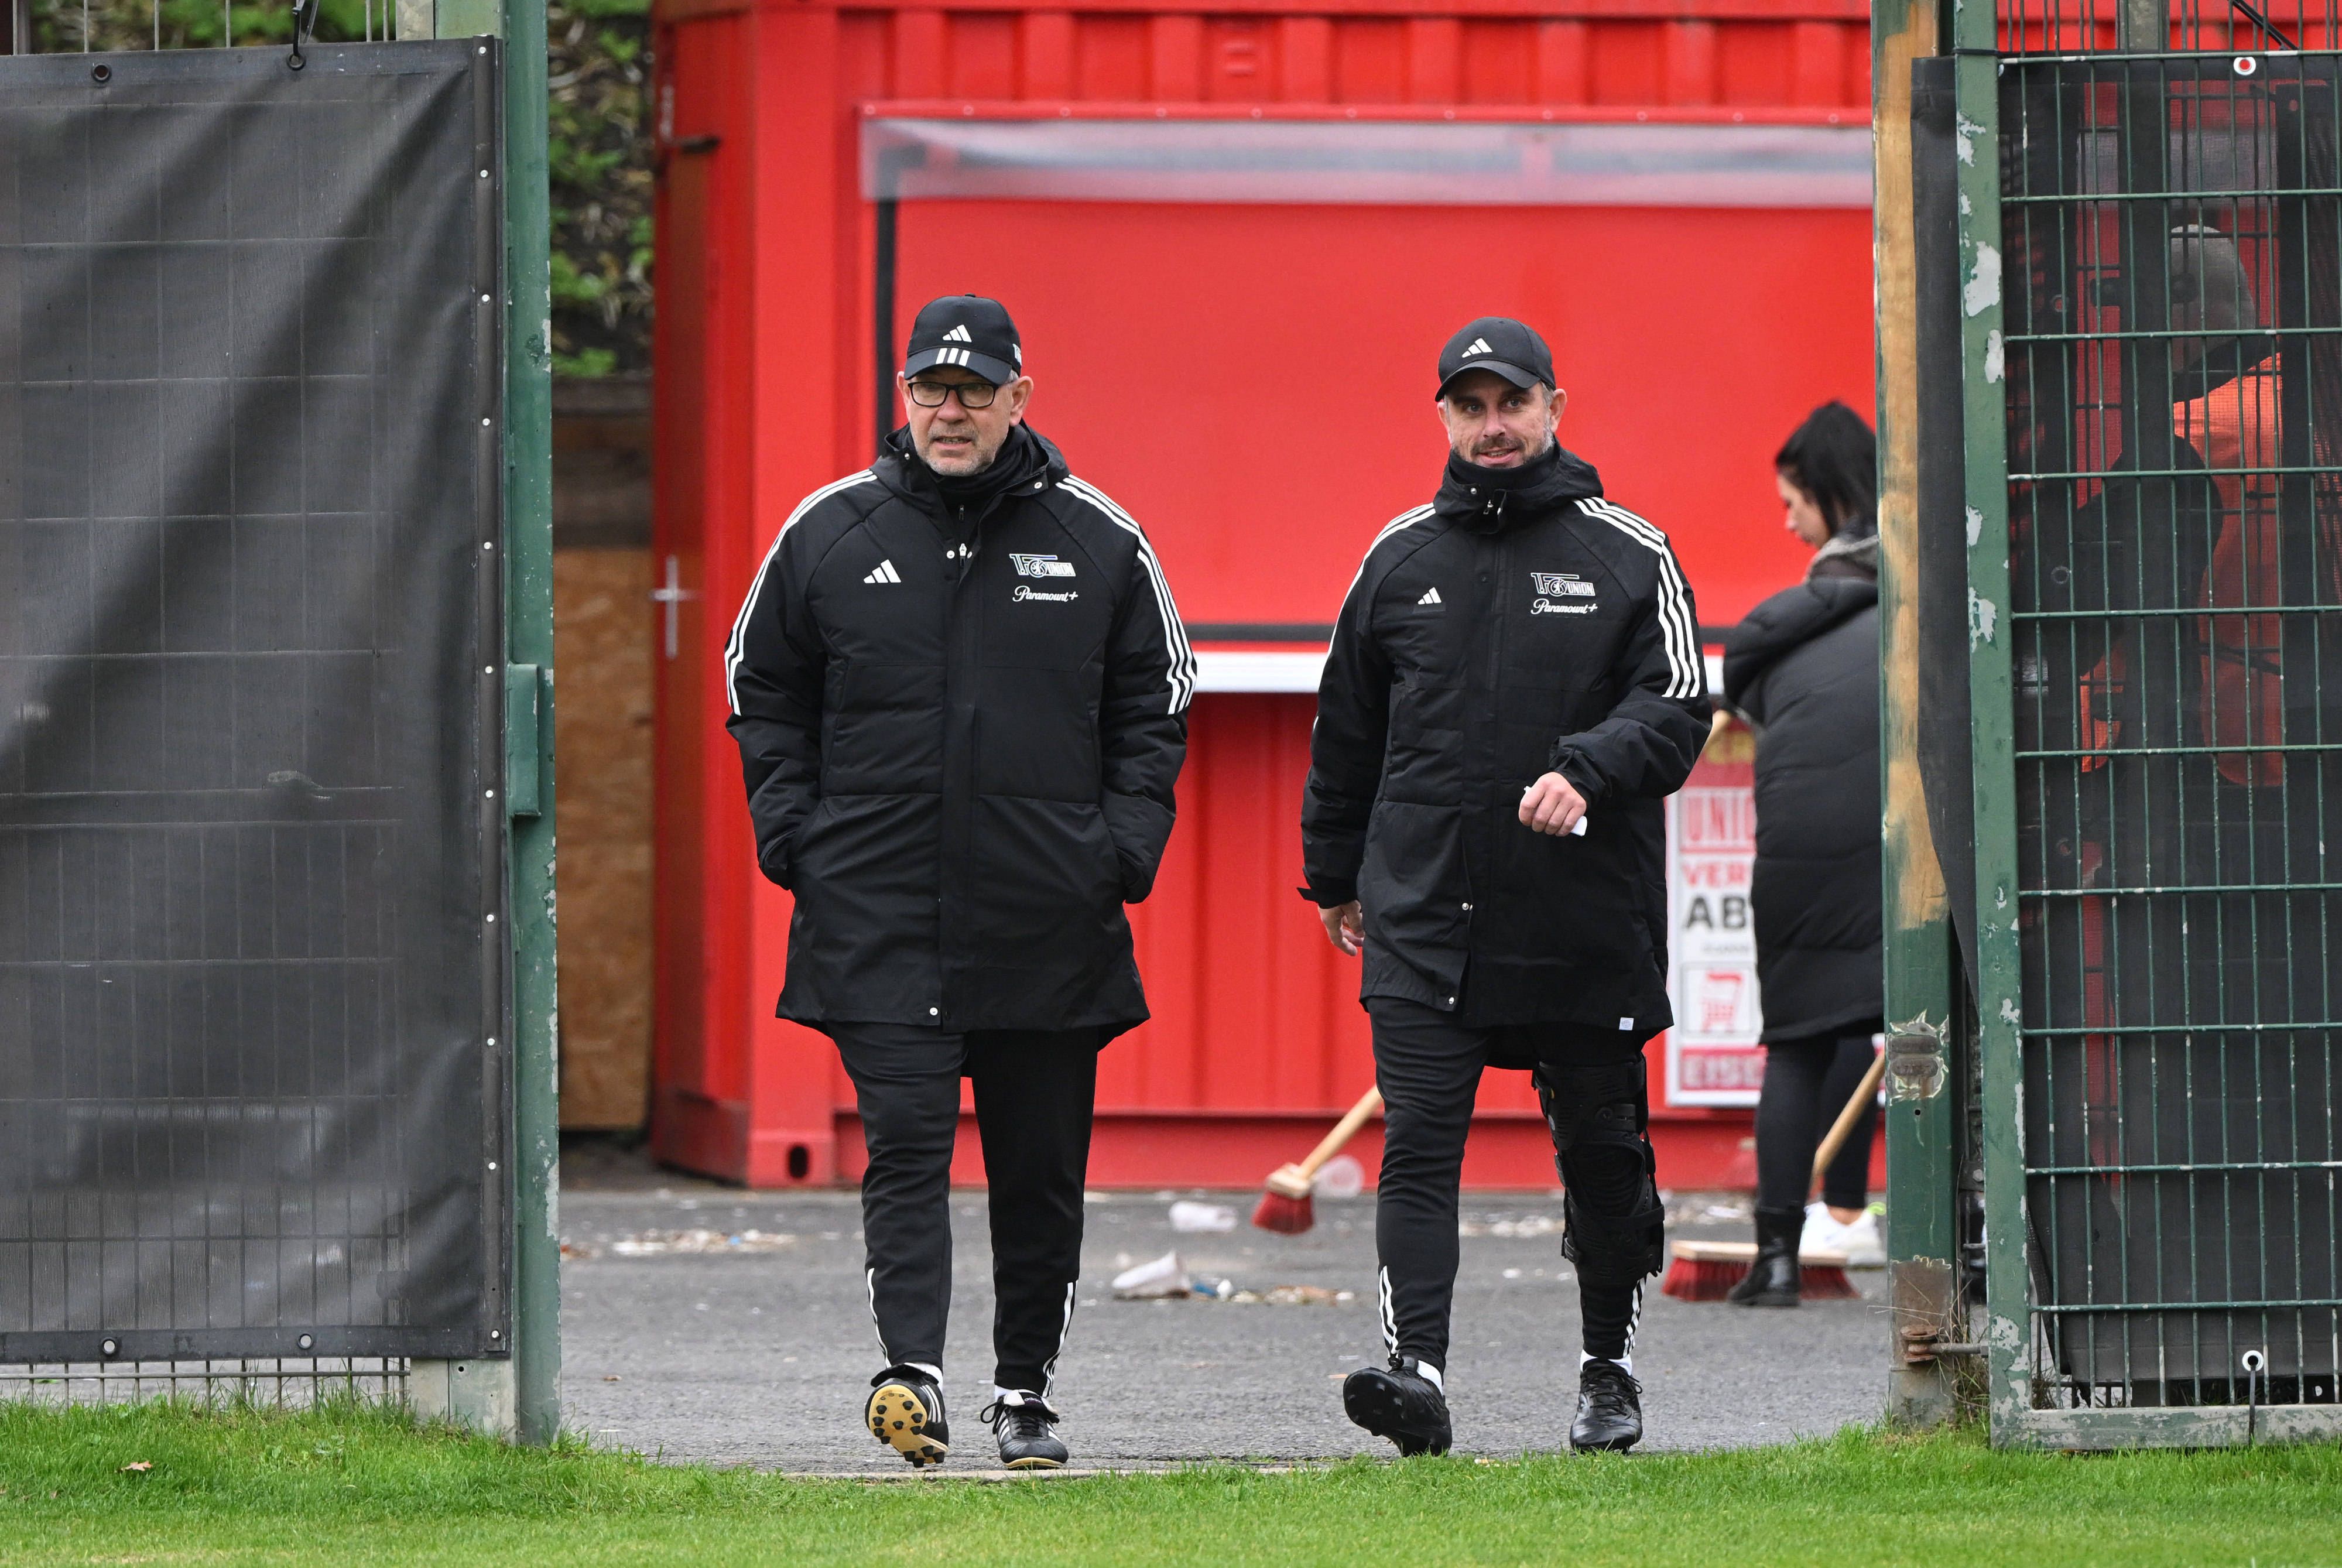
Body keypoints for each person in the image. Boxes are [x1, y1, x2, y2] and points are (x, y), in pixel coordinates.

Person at [725, 295, 1193, 1469]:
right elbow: (759, 685)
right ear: (903, 398)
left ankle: (1025, 1390)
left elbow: (1161, 700)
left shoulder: (1099, 540)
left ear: (1017, 401)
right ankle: (912, 1375)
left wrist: (1118, 853)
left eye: (974, 391)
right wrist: (797, 839)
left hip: (1050, 921)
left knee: (1039, 1176)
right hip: (878, 918)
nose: (950, 409)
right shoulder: (829, 533)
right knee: (905, 1150)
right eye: (930, 389)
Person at [1301, 317, 1711, 1456]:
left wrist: (1585, 767)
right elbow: (1345, 734)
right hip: (1426, 915)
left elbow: (1679, 707)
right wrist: (1332, 874)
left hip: (1581, 920)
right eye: (1468, 405)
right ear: (1441, 415)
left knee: (1598, 1156)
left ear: (1552, 408)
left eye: (1510, 404)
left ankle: (1607, 1368)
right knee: (1419, 1147)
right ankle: (1415, 1373)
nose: (1491, 426)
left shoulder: (1628, 552)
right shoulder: (1396, 559)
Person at [1717, 401, 1885, 1307]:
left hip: (1793, 846)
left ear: (1828, 493)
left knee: (1798, 1040)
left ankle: (1776, 1258)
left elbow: (1753, 697)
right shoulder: (1918, 584)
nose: (1787, 520)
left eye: (1792, 502)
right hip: (1891, 835)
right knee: (1913, 1025)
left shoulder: (1795, 622)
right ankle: (1957, 1244)